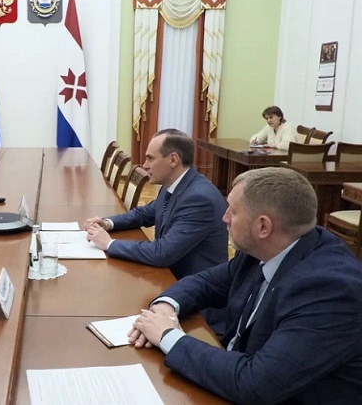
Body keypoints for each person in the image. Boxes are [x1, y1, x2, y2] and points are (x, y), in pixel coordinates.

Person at [129, 167, 362, 404]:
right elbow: (207, 282)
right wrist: (166, 307)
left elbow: (256, 385)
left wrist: (167, 336)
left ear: (263, 227)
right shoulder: (267, 247)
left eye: (233, 211)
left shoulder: (330, 290)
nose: (224, 218)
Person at [84, 129, 228, 280]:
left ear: (173, 160)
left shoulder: (199, 199)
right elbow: (144, 214)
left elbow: (163, 253)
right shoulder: (173, 184)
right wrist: (108, 223)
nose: (145, 165)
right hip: (169, 274)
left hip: (193, 285)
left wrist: (109, 244)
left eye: (150, 159)